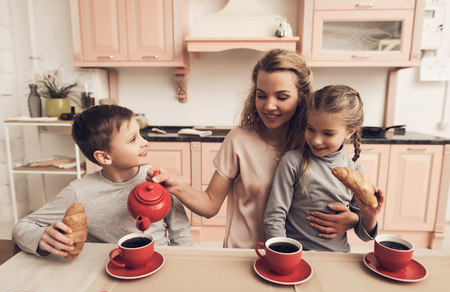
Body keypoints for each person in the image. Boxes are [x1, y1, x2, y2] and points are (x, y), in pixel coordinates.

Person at [148, 49, 360, 248]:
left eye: (282, 97)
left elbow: (335, 199)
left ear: (301, 98)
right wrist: (177, 186)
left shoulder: (314, 142)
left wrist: (353, 219)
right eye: (261, 95)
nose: (269, 105)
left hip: (295, 256)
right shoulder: (239, 140)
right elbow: (211, 205)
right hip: (245, 253)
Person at [12, 105, 193, 258]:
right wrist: (41, 237)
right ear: (104, 157)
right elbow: (21, 228)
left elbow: (180, 232)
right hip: (106, 268)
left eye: (140, 134)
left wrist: (184, 265)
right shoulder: (79, 192)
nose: (145, 142)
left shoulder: (159, 179)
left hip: (158, 263)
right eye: (133, 139)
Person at [264, 84, 385, 252]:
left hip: (338, 257)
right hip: (296, 255)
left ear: (350, 131)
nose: (316, 140)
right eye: (310, 129)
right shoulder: (293, 161)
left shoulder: (356, 173)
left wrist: (368, 217)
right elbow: (274, 217)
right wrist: (283, 253)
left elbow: (365, 236)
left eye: (328, 133)